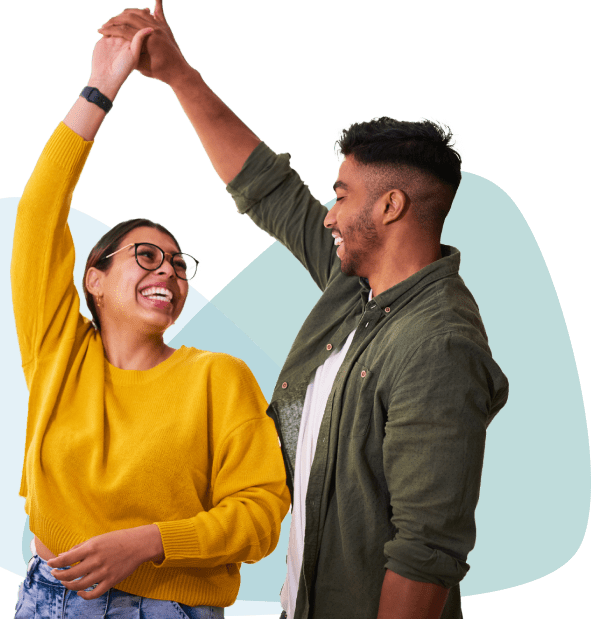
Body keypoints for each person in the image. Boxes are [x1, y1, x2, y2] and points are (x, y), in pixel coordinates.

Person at [97, 3, 510, 619]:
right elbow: (270, 192)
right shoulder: (359, 290)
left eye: (342, 195)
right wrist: (180, 75)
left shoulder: (437, 346)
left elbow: (425, 557)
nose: (329, 214)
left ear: (391, 207)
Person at [10, 23, 290, 619]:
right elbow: (38, 215)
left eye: (178, 264)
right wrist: (100, 86)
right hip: (49, 598)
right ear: (95, 279)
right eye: (146, 256)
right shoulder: (57, 351)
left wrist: (149, 543)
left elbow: (262, 513)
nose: (168, 271)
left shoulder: (218, 379)